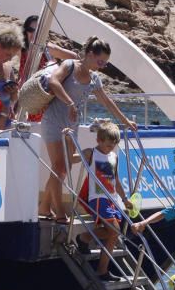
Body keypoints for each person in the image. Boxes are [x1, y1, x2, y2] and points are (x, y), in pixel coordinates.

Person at [41, 37, 137, 224]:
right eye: (100, 61)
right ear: (90, 55)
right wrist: (69, 103)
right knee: (59, 167)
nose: (101, 66)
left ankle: (44, 206)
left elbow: (106, 101)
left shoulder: (94, 79)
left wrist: (125, 121)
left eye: (105, 63)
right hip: (53, 121)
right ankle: (60, 212)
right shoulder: (70, 65)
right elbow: (54, 81)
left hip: (72, 126)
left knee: (63, 168)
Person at [76, 121, 131, 279]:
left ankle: (102, 269)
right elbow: (72, 159)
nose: (110, 148)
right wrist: (68, 140)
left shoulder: (114, 156)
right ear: (98, 140)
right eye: (108, 145)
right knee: (115, 230)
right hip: (98, 198)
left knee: (113, 234)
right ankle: (84, 240)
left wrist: (125, 199)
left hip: (112, 199)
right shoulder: (91, 153)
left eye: (113, 145)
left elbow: (116, 180)